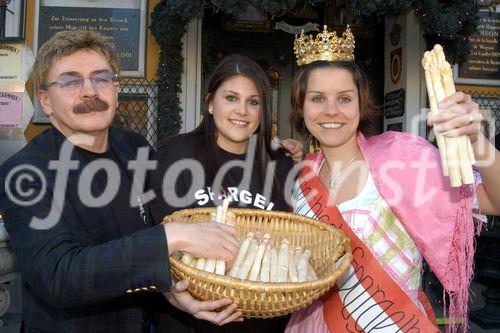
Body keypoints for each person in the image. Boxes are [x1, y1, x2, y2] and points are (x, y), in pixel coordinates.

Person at [0, 30, 244, 332]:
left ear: (116, 89)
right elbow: (59, 275)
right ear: (45, 101)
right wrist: (172, 235)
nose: (90, 91)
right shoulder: (24, 172)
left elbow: (162, 215)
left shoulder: (134, 147)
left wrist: (169, 290)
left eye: (101, 78)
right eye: (70, 81)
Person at [285, 26, 500, 333]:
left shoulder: (402, 159)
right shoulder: (302, 177)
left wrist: (474, 137)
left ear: (361, 104)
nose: (330, 110)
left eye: (344, 99)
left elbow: (496, 199)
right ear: (302, 107)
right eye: (317, 98)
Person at [150, 54, 297, 333]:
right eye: (231, 98)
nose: (242, 110)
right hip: (190, 318)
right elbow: (155, 238)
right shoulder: (176, 155)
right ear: (210, 103)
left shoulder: (279, 162)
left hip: (260, 320)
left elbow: (286, 243)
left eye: (253, 102)